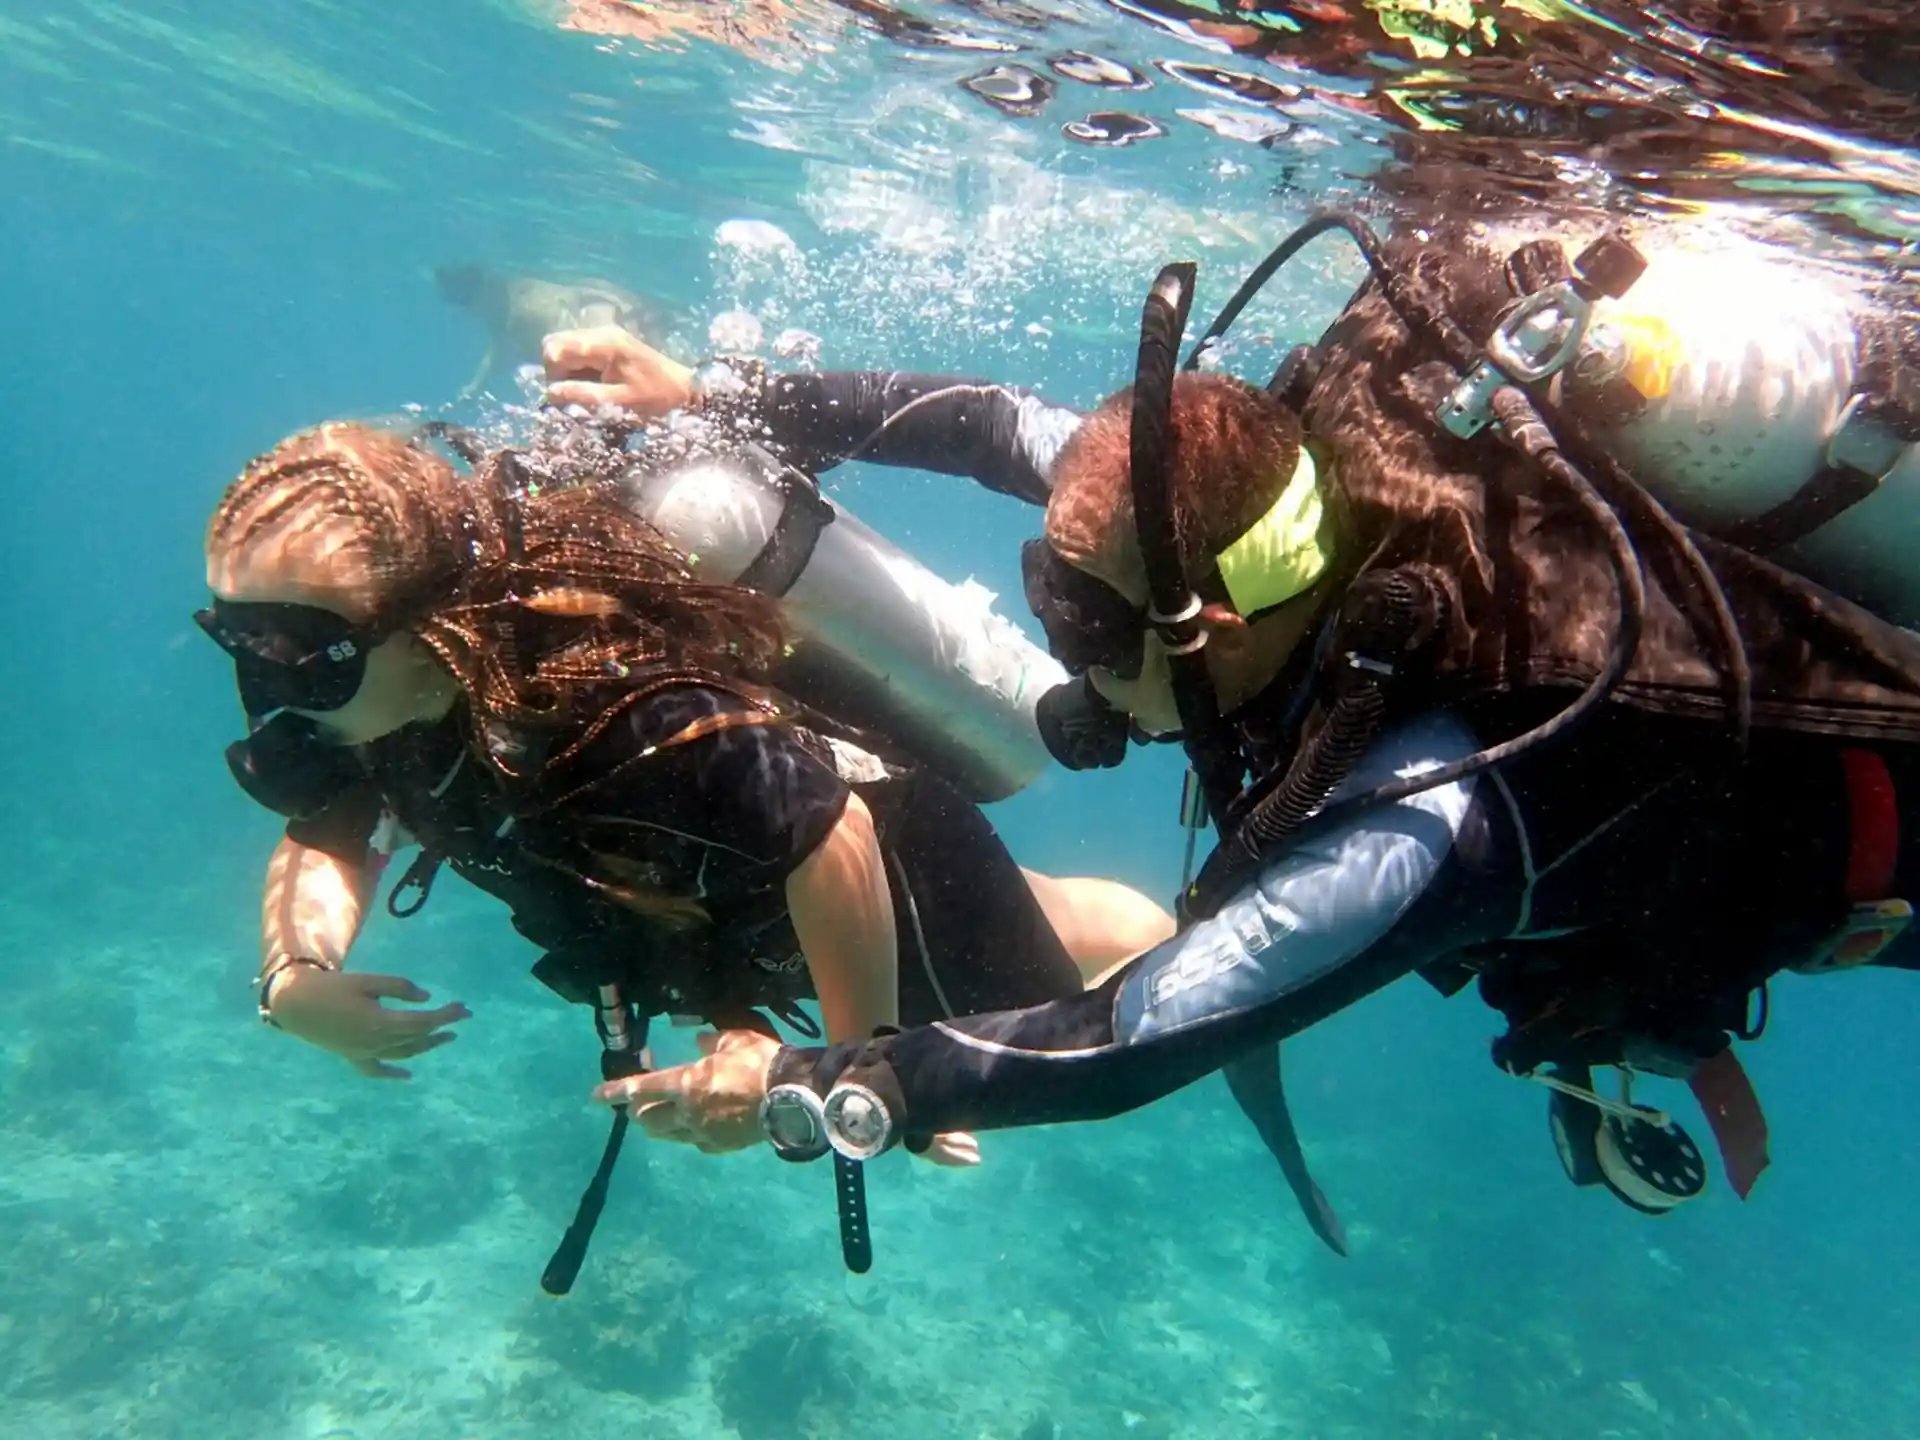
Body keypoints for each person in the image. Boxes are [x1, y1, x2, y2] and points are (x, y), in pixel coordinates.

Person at [581, 213, 1920, 1222]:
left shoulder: (1421, 810)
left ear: (1204, 626)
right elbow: (985, 423)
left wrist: (816, 1080)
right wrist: (714, 394)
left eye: (1082, 619)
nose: (1056, 635)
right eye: (1051, 588)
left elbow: (1128, 1039)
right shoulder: (1224, 489)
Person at [198, 420, 1174, 1280]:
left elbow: (829, 835)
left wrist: (857, 1069)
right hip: (706, 908)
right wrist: (293, 979)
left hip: (879, 862)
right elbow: (324, 829)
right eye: (236, 647)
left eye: (304, 660)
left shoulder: (610, 704)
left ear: (431, 631)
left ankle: (1194, 942)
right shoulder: (372, 716)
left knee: (1044, 966)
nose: (266, 695)